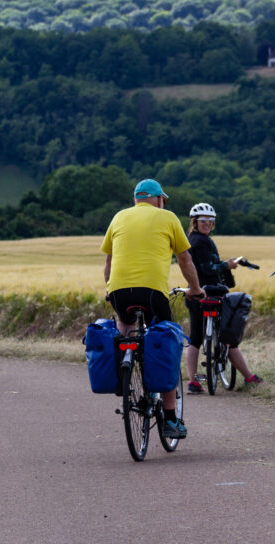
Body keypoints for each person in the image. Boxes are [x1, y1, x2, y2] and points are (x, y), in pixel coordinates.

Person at [101, 179, 203, 439]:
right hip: (152, 293)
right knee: (165, 345)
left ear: (136, 199)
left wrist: (110, 290)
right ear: (158, 199)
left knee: (124, 330)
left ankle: (121, 373)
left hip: (119, 291)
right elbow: (184, 258)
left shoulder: (119, 217)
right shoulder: (167, 217)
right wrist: (195, 288)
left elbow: (109, 262)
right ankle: (170, 419)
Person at [183, 203, 263, 394]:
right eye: (203, 221)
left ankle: (194, 381)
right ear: (194, 222)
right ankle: (249, 377)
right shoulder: (201, 241)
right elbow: (207, 268)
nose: (208, 224)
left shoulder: (191, 239)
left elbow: (206, 263)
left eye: (211, 221)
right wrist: (226, 266)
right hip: (211, 293)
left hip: (195, 292)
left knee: (195, 338)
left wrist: (225, 263)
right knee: (226, 335)